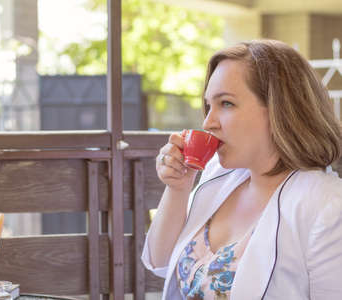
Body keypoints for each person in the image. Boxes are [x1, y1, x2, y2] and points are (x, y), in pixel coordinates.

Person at [141, 39, 342, 300]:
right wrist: (178, 188)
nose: (208, 122)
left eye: (226, 104)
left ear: (280, 109)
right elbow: (159, 262)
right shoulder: (220, 176)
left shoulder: (328, 206)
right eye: (208, 105)